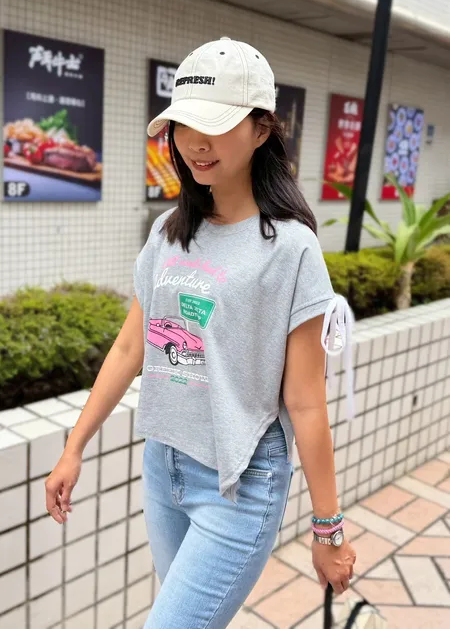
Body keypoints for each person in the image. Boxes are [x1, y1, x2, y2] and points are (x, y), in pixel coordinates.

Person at [46, 37, 357, 628]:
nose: (194, 142)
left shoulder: (291, 248)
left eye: (215, 124)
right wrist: (74, 446)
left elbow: (305, 401)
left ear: (262, 130)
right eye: (184, 123)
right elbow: (131, 346)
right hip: (163, 466)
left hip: (239, 481)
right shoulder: (169, 231)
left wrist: (328, 530)